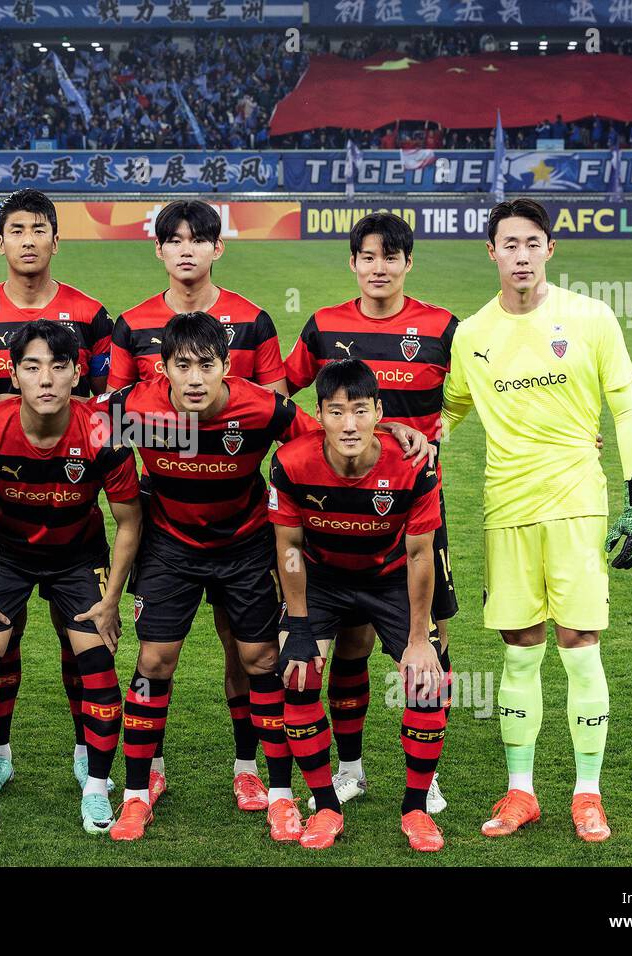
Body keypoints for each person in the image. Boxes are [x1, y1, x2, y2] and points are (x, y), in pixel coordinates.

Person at [99, 311, 432, 843]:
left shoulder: (262, 408)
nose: (194, 378)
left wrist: (389, 428)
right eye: (181, 366)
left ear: (227, 367)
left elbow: (332, 431)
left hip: (247, 545)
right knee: (153, 661)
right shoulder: (133, 408)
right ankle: (136, 795)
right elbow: (64, 421)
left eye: (207, 365)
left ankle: (277, 794)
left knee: (260, 659)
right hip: (170, 547)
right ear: (161, 370)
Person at [442, 198, 632, 843]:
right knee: (520, 648)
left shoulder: (590, 318)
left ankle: (587, 793)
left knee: (580, 645)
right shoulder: (472, 333)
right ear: (492, 253)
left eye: (533, 242)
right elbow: (449, 413)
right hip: (505, 508)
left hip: (577, 504)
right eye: (510, 244)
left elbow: (626, 410)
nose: (522, 255)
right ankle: (520, 791)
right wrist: (393, 448)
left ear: (550, 249)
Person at [107, 198, 288, 812]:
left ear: (218, 247)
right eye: (174, 239)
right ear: (158, 250)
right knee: (157, 653)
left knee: (250, 649)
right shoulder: (131, 327)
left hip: (242, 523)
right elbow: (104, 421)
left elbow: (284, 421)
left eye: (199, 238)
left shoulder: (255, 324)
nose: (186, 249)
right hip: (166, 525)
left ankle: (247, 768)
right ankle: (146, 773)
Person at [0, 189, 114, 797]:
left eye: (40, 229)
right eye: (18, 230)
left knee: (80, 642)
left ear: (55, 240)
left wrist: (26, 406)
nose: (29, 240)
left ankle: (84, 754)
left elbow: (102, 403)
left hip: (68, 501)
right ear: (1, 240)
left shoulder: (90, 316)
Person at [283, 212, 457, 815]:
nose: (378, 268)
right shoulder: (325, 326)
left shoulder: (441, 328)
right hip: (334, 502)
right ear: (352, 263)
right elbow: (285, 396)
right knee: (349, 648)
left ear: (408, 263)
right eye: (367, 257)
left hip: (414, 501)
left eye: (391, 257)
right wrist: (327, 446)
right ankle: (350, 768)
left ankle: (423, 776)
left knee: (426, 642)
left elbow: (480, 395)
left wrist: (431, 437)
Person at [0, 320, 142, 835]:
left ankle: (97, 787)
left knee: (97, 661)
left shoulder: (106, 429)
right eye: (32, 367)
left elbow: (129, 520)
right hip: (2, 555)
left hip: (77, 554)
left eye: (59, 368)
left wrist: (111, 601)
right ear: (13, 375)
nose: (47, 380)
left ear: (77, 373)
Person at [270, 358, 450, 852]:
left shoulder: (414, 462)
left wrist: (419, 640)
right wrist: (301, 626)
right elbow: (288, 548)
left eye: (360, 411)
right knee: (299, 672)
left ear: (379, 411)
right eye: (335, 412)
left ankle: (415, 808)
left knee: (429, 681)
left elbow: (419, 554)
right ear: (320, 414)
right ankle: (326, 804)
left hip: (389, 576)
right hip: (322, 577)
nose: (348, 425)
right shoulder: (290, 461)